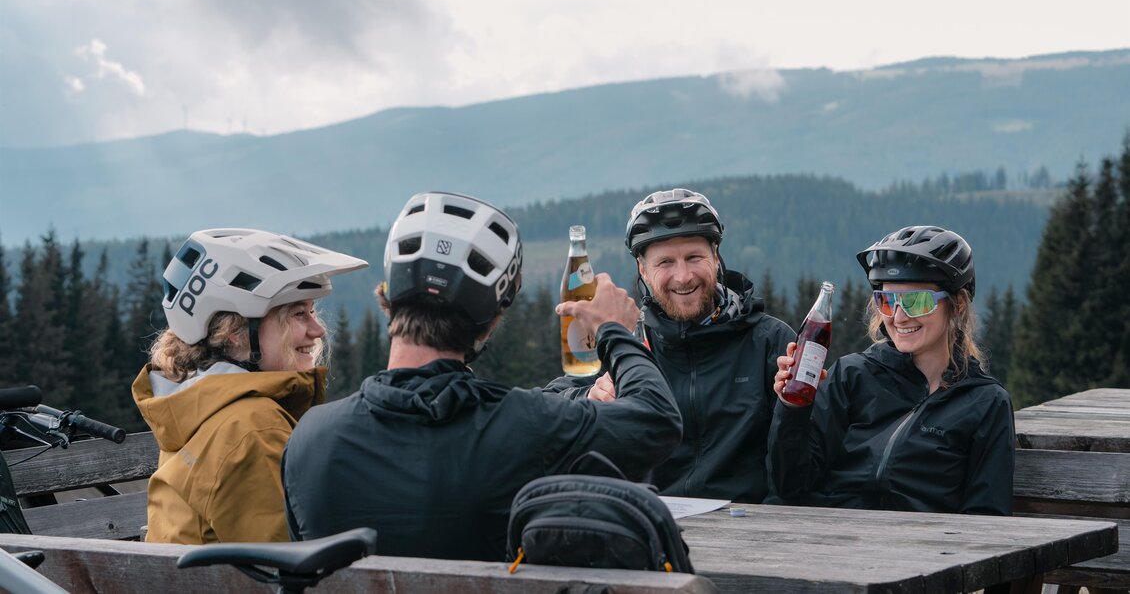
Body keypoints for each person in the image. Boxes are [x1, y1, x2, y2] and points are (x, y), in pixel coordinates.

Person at [282, 191, 682, 560]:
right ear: (491, 322)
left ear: (387, 301)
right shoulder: (525, 426)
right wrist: (615, 329)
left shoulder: (311, 439)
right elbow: (657, 420)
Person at [546, 188, 795, 503]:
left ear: (715, 258)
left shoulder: (771, 342)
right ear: (643, 270)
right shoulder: (627, 342)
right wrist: (587, 396)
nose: (683, 276)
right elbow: (550, 405)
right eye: (665, 262)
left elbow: (800, 473)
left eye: (694, 257)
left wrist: (794, 409)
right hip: (654, 525)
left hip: (754, 530)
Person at [132, 228, 368, 544]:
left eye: (312, 311)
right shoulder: (250, 429)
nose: (318, 330)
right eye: (299, 314)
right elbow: (289, 566)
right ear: (237, 331)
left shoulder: (197, 405)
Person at [768, 225, 1015, 515]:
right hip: (831, 542)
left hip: (921, 552)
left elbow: (986, 516)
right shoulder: (853, 375)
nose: (898, 317)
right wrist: (792, 410)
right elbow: (789, 485)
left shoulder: (985, 403)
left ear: (958, 304)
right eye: (886, 301)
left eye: (916, 301)